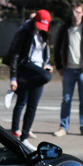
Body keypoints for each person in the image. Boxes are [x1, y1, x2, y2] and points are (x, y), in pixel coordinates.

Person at [5, 9, 53, 151]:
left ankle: (24, 137)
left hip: (37, 71)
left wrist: (47, 65)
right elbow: (15, 56)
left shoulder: (45, 35)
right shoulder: (24, 33)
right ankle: (15, 129)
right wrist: (13, 77)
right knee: (46, 77)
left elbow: (44, 54)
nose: (40, 28)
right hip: (26, 67)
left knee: (32, 105)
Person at [53, 2, 83, 138]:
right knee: (66, 100)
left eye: (79, 12)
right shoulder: (65, 29)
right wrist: (59, 66)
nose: (76, 15)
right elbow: (57, 49)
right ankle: (63, 127)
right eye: (74, 12)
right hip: (68, 69)